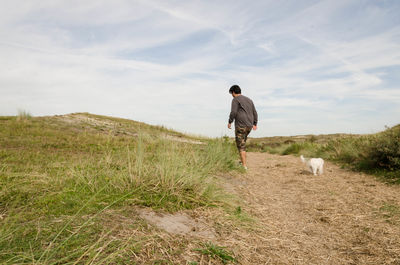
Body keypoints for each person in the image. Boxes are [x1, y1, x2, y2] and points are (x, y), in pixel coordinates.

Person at [228, 84, 258, 170]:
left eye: (231, 94)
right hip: (249, 125)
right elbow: (255, 112)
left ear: (233, 92)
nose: (232, 96)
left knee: (241, 146)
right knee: (243, 143)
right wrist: (255, 123)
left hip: (241, 125)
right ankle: (242, 162)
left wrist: (230, 122)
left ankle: (244, 166)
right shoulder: (249, 100)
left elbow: (233, 112)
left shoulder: (235, 100)